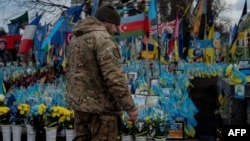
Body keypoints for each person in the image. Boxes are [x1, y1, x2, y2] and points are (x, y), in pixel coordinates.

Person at [66, 4, 138, 141]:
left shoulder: (77, 38)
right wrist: (130, 107)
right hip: (102, 109)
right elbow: (114, 77)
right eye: (115, 25)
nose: (116, 29)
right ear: (106, 22)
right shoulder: (103, 39)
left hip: (80, 106)